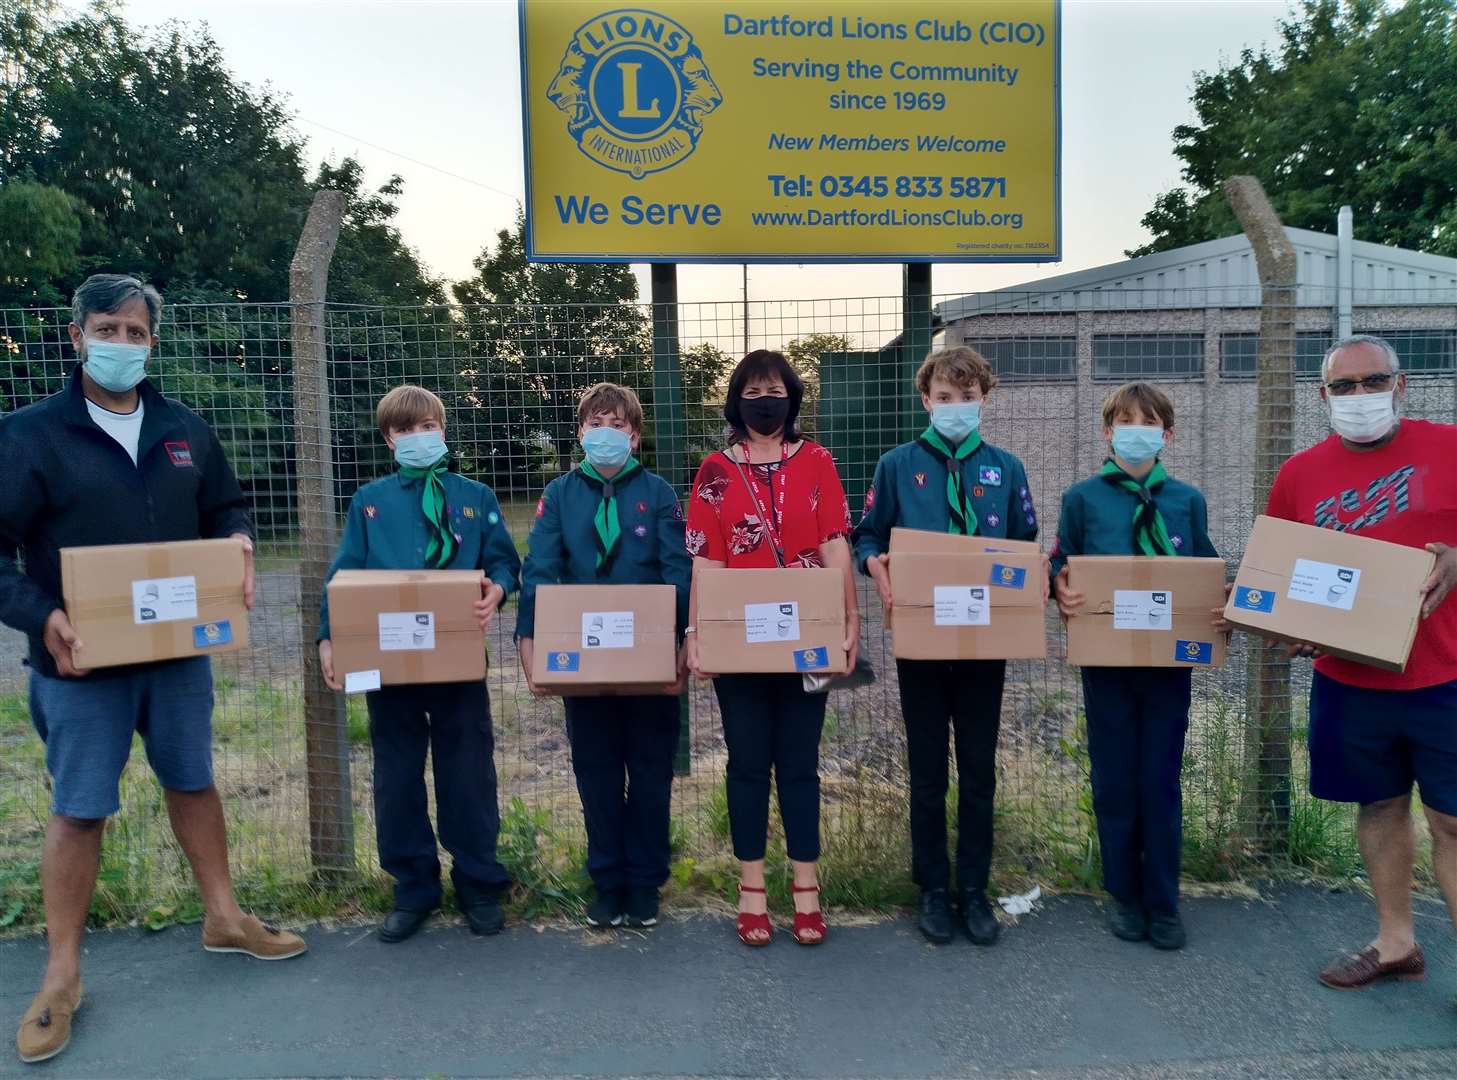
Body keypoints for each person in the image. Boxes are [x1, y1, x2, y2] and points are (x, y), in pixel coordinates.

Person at [0, 274, 306, 1065]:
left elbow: (227, 508)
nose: (123, 345)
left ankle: (225, 918)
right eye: (109, 328)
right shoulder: (30, 434)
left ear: (152, 344)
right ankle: (62, 973)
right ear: (76, 337)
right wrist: (44, 616)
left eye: (136, 333)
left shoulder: (183, 427)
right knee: (80, 809)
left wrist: (237, 540)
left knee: (193, 780)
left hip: (177, 655)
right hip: (80, 664)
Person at [1260, 335, 1456, 990]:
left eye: (1371, 382)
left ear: (1400, 386)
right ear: (1322, 398)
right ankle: (1395, 941)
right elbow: (1284, 576)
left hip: (1443, 673)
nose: (1358, 397)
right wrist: (1292, 629)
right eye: (1342, 387)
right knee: (1378, 805)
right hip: (1349, 679)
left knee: (1451, 821)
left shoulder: (1446, 447)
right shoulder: (1300, 475)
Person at [851, 346, 1040, 946]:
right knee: (928, 770)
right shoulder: (898, 465)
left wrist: (1033, 575)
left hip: (986, 644)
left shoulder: (1006, 469)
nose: (956, 407)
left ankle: (976, 890)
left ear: (984, 398)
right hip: (922, 641)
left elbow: (1024, 543)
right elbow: (868, 535)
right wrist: (874, 564)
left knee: (979, 770)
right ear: (925, 399)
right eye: (944, 397)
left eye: (967, 397)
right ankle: (933, 889)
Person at [317, 385, 519, 943]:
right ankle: (413, 886)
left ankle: (478, 880)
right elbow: (342, 578)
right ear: (389, 439)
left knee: (469, 771)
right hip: (390, 666)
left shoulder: (475, 495)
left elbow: (505, 563)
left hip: (457, 664)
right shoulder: (369, 502)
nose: (417, 437)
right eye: (405, 430)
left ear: (443, 430)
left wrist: (496, 590)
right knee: (397, 774)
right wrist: (328, 639)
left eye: (427, 426)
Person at [684, 350, 858, 946]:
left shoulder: (817, 461)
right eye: (754, 390)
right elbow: (705, 560)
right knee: (749, 764)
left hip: (808, 637)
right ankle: (752, 889)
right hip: (741, 644)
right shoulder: (713, 470)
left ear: (792, 397)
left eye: (776, 389)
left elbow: (836, 543)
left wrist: (849, 619)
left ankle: (807, 890)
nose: (766, 400)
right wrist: (694, 632)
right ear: (737, 401)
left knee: (802, 765)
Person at [1050, 382, 1226, 951]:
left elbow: (1202, 567)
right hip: (1107, 665)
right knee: (1115, 782)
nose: (1137, 431)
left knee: (1160, 781)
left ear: (1167, 436)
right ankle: (1123, 895)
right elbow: (1060, 560)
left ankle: (1163, 900)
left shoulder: (1186, 500)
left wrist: (1220, 602)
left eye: (1149, 423)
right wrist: (1059, 586)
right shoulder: (1083, 498)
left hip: (1169, 667)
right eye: (1125, 422)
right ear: (1107, 432)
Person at [517, 383, 691, 930]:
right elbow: (540, 566)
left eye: (617, 424)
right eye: (596, 423)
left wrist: (680, 644)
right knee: (594, 769)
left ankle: (644, 882)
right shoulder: (560, 494)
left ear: (634, 435)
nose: (606, 433)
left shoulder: (659, 492)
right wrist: (530, 643)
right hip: (583, 661)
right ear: (581, 434)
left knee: (650, 770)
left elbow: (677, 570)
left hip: (649, 662)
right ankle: (606, 879)